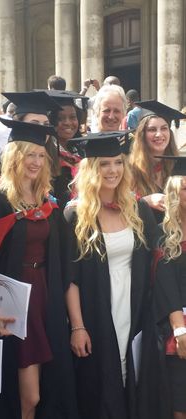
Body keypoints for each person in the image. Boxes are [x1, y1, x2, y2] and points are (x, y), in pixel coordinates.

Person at [0, 119, 78, 419]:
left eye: (40, 155)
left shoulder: (48, 202)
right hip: (15, 300)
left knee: (45, 389)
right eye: (29, 154)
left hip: (44, 296)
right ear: (15, 156)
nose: (35, 162)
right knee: (28, 395)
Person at [64, 131, 158, 419]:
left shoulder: (138, 209)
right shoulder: (75, 215)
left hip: (134, 305)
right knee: (101, 383)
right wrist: (78, 327)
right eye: (105, 164)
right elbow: (70, 278)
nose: (113, 170)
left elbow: (155, 260)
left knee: (134, 376)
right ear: (91, 169)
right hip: (96, 309)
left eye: (118, 162)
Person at [153, 156, 186, 419]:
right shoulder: (163, 235)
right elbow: (167, 288)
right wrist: (180, 329)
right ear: (174, 191)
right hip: (180, 329)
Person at [129, 100, 185, 221]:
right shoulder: (130, 169)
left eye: (164, 128)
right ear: (142, 134)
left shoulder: (179, 167)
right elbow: (116, 203)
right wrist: (144, 201)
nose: (159, 134)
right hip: (144, 236)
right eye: (152, 129)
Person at [48, 90, 87, 208]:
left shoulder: (82, 150)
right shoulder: (47, 154)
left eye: (73, 117)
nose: (68, 123)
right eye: (61, 118)